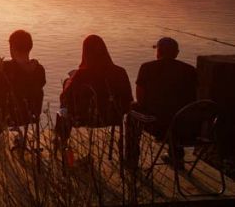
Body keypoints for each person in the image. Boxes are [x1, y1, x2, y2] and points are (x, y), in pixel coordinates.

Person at [126, 37, 197, 168]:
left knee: (132, 110)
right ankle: (176, 157)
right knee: (177, 111)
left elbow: (140, 99)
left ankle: (131, 160)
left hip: (158, 126)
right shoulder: (190, 70)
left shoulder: (147, 67)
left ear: (158, 52)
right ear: (177, 53)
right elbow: (194, 99)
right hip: (187, 128)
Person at [56, 35, 133, 143]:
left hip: (83, 119)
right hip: (113, 118)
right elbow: (128, 100)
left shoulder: (81, 75)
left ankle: (61, 139)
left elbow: (65, 98)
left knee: (64, 100)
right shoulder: (120, 72)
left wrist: (69, 83)